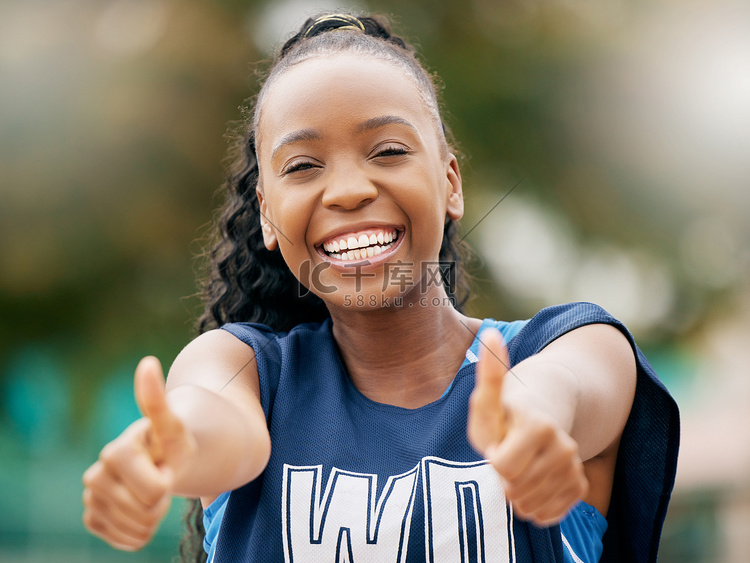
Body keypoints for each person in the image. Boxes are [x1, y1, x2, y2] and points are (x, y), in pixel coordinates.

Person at [82, 12, 679, 563]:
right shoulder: (245, 369)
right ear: (267, 213)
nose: (347, 190)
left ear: (450, 183)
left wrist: (532, 419)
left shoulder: (572, 347)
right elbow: (219, 425)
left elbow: (564, 389)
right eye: (303, 166)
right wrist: (171, 449)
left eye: (388, 151)